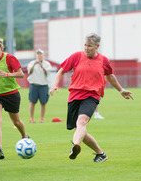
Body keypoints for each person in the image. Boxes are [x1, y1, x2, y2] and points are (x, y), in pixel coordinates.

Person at [50, 33, 133, 162]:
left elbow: (110, 76)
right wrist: (54, 85)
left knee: (82, 121)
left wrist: (121, 90)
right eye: (85, 45)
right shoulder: (77, 56)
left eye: (89, 46)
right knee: (79, 129)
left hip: (91, 95)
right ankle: (100, 154)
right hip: (74, 96)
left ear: (97, 46)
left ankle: (74, 146)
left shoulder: (103, 60)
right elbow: (61, 70)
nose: (86, 48)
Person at [27, 48, 52, 123]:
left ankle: (42, 119)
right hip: (34, 84)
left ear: (43, 55)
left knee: (43, 103)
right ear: (36, 55)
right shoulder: (31, 63)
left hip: (43, 85)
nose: (39, 55)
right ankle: (32, 119)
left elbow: (47, 72)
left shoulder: (47, 64)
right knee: (32, 102)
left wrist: (42, 66)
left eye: (40, 54)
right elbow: (29, 72)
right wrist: (35, 64)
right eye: (38, 54)